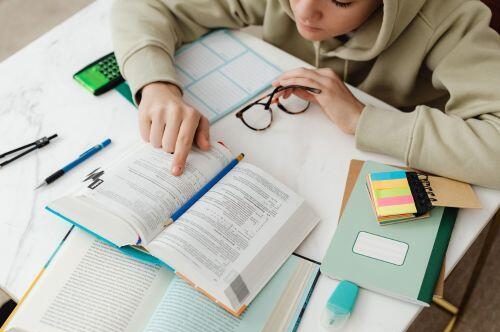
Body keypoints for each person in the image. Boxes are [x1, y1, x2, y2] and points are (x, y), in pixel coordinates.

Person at [111, 0, 500, 189]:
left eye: (342, 0)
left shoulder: (452, 18)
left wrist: (365, 119)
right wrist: (155, 85)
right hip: (288, 155)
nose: (305, 13)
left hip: (394, 171)